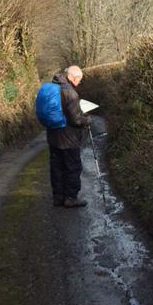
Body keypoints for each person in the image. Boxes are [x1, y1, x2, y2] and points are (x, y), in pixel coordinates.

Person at [47, 65, 91, 208]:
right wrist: (87, 120)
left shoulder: (53, 88)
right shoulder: (70, 93)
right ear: (72, 77)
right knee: (72, 167)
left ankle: (58, 198)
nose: (79, 82)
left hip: (53, 137)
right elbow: (76, 120)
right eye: (79, 79)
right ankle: (71, 198)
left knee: (57, 167)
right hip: (69, 139)